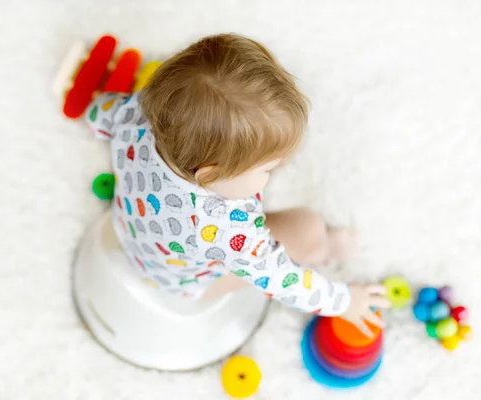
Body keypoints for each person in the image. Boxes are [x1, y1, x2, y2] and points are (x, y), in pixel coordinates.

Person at [85, 33, 389, 335]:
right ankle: (328, 248)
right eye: (268, 168)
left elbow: (100, 112)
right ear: (209, 176)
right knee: (307, 229)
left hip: (130, 230)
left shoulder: (139, 112)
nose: (279, 168)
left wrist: (91, 118)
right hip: (183, 283)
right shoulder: (224, 228)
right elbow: (281, 279)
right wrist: (344, 301)